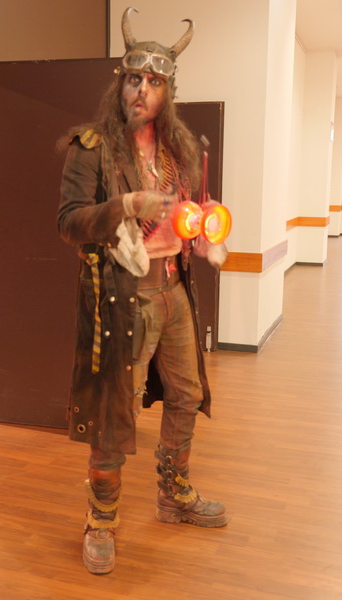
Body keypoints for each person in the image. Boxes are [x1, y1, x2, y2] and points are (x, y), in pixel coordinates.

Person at [58, 7, 227, 575]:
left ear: (167, 91)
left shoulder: (181, 149)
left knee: (186, 395)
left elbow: (192, 212)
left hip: (175, 289)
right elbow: (69, 222)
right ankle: (100, 519)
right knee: (115, 410)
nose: (142, 91)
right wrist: (125, 205)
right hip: (122, 296)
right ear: (120, 83)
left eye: (154, 82)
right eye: (134, 79)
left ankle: (173, 494)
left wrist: (206, 228)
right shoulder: (92, 147)